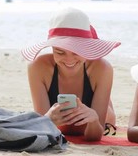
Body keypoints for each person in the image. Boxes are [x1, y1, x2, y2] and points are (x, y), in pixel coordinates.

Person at [21, 7, 121, 141]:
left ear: (87, 47)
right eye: (60, 52)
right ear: (51, 48)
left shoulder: (102, 68)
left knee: (106, 114)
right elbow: (43, 129)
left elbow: (95, 136)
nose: (69, 60)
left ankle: (105, 105)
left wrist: (93, 120)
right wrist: (47, 119)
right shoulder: (38, 67)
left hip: (104, 120)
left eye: (76, 51)